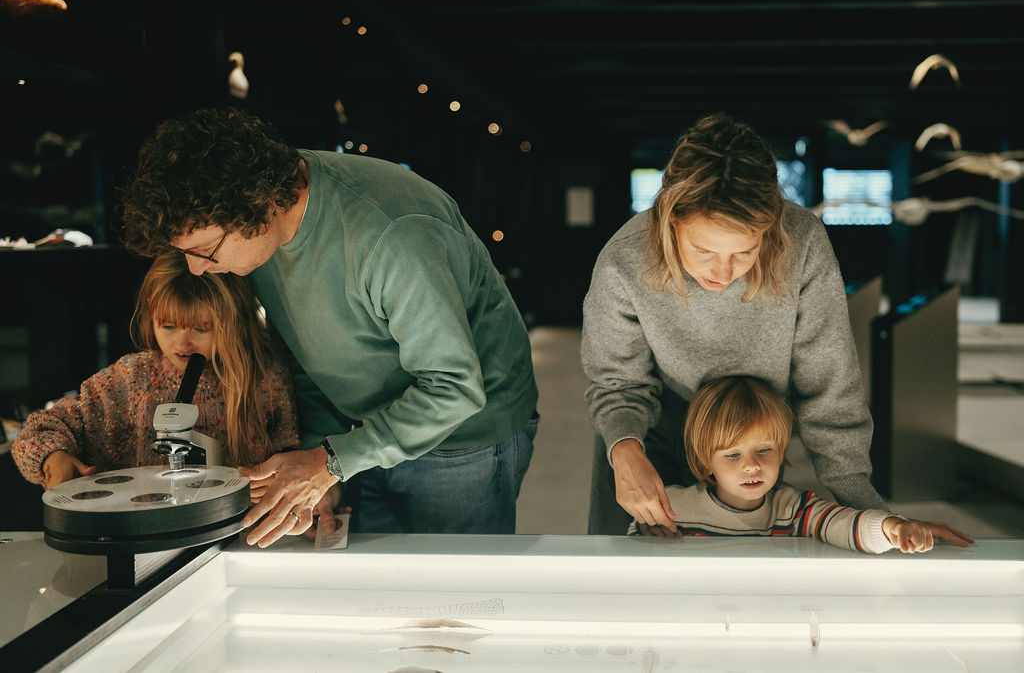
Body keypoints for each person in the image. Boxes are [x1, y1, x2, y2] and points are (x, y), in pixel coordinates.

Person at [118, 107, 540, 547]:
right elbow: (307, 356)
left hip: (463, 436)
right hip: (363, 435)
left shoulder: (392, 235)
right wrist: (320, 455)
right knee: (373, 586)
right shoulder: (259, 219)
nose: (197, 270)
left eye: (205, 251)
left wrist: (329, 463)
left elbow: (455, 387)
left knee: (455, 596)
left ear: (258, 206)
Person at [582, 111, 888, 536]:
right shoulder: (625, 258)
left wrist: (861, 502)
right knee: (624, 576)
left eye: (744, 252)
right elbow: (617, 382)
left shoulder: (803, 241)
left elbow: (829, 382)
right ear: (671, 220)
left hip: (751, 437)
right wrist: (625, 450)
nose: (724, 274)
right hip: (652, 433)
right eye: (704, 250)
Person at [12, 251, 300, 488]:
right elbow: (41, 428)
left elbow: (291, 456)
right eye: (168, 325)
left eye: (201, 328)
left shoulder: (265, 379)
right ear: (150, 313)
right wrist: (53, 457)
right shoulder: (132, 378)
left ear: (233, 321)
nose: (182, 342)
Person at [628, 376, 974, 553]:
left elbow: (844, 524)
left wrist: (893, 528)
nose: (751, 466)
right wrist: (645, 537)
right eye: (733, 454)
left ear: (782, 451)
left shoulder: (794, 509)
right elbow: (631, 556)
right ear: (706, 461)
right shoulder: (671, 507)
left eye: (764, 450)